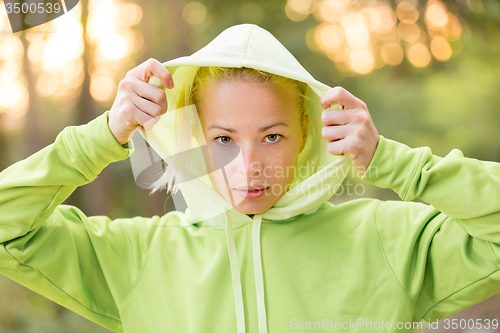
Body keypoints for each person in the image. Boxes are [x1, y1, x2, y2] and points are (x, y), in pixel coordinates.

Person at [0, 23, 499, 333]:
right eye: (222, 139)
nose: (249, 166)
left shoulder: (387, 240)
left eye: (273, 136)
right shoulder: (137, 257)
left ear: (308, 132)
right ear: (191, 135)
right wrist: (103, 135)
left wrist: (397, 163)